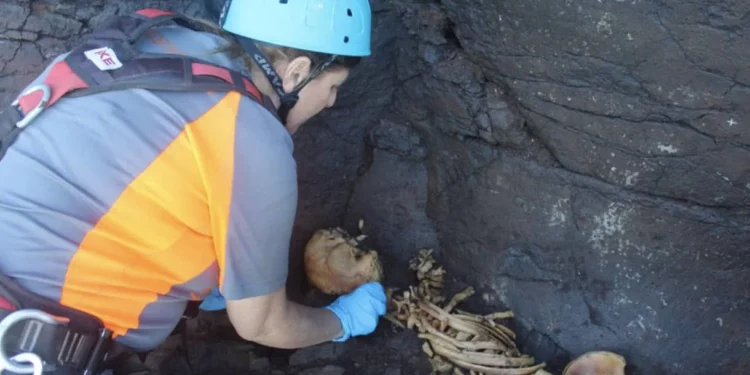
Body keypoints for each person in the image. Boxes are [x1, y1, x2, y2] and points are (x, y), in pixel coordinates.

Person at [0, 0, 386, 372]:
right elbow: (263, 323)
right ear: (297, 72)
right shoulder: (252, 137)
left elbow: (131, 174)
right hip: (36, 349)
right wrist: (339, 322)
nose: (332, 102)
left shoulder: (154, 35)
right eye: (334, 86)